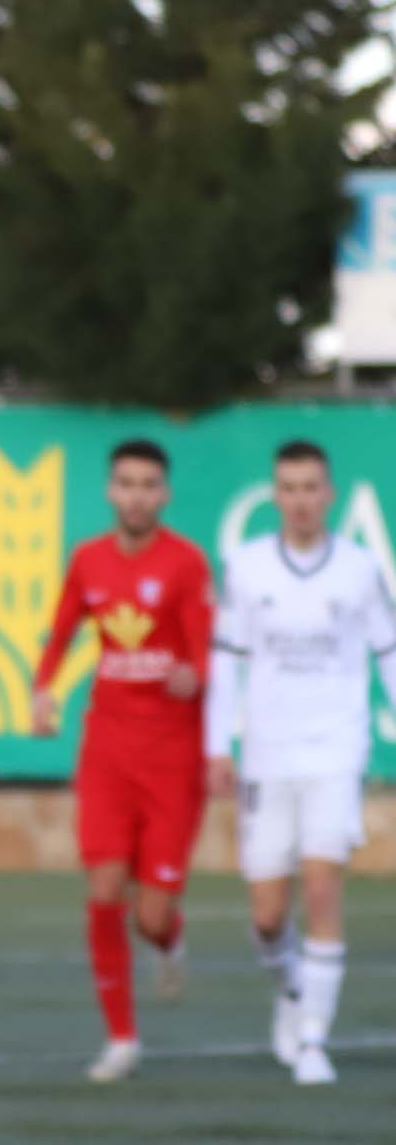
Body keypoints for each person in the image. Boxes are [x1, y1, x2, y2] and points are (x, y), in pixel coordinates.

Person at [205, 438, 396, 1087]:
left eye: (312, 488)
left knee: (321, 887)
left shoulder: (360, 569)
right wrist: (216, 745)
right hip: (267, 753)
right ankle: (291, 990)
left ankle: (314, 1038)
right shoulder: (246, 566)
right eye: (288, 489)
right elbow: (226, 660)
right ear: (275, 495)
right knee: (266, 915)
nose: (301, 501)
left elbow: (388, 651)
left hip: (335, 749)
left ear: (330, 494)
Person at [27, 439, 212, 1082]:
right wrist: (43, 689)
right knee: (104, 888)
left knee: (149, 915)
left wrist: (195, 674)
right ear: (111, 491)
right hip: (107, 748)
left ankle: (170, 937)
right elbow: (61, 629)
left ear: (165, 494)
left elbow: (205, 647)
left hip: (172, 756)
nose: (136, 496)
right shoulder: (88, 559)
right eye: (126, 483)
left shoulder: (186, 562)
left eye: (148, 485)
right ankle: (122, 1038)